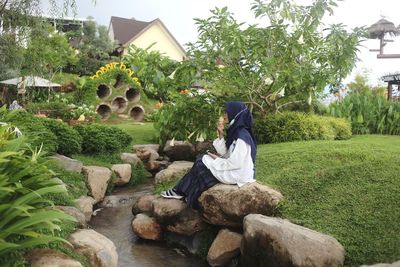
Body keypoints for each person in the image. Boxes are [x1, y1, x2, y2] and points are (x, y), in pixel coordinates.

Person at [161, 101, 257, 209]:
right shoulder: (237, 132)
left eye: (227, 112)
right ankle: (182, 192)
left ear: (235, 114)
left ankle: (180, 192)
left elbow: (236, 163)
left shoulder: (242, 136)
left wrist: (217, 160)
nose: (224, 115)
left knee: (201, 164)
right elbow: (226, 153)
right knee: (201, 161)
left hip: (238, 173)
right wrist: (220, 133)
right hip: (235, 168)